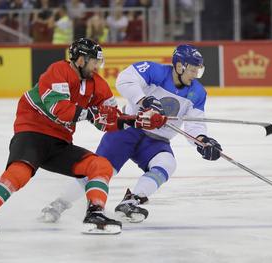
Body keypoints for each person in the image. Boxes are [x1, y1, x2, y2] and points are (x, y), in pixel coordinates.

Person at [0, 38, 162, 238]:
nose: (97, 67)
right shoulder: (58, 70)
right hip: (32, 133)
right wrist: (93, 112)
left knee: (100, 165)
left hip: (60, 142)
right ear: (81, 60)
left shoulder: (98, 85)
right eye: (94, 61)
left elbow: (106, 121)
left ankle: (95, 214)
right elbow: (60, 110)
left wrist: (135, 121)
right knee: (20, 171)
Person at [39, 44, 222, 224]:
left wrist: (202, 141)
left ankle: (131, 201)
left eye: (199, 70)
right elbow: (124, 80)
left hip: (156, 141)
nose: (196, 75)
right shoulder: (154, 71)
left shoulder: (198, 92)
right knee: (102, 170)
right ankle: (59, 203)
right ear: (180, 66)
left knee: (167, 163)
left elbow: (195, 123)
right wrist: (144, 100)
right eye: (193, 70)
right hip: (128, 130)